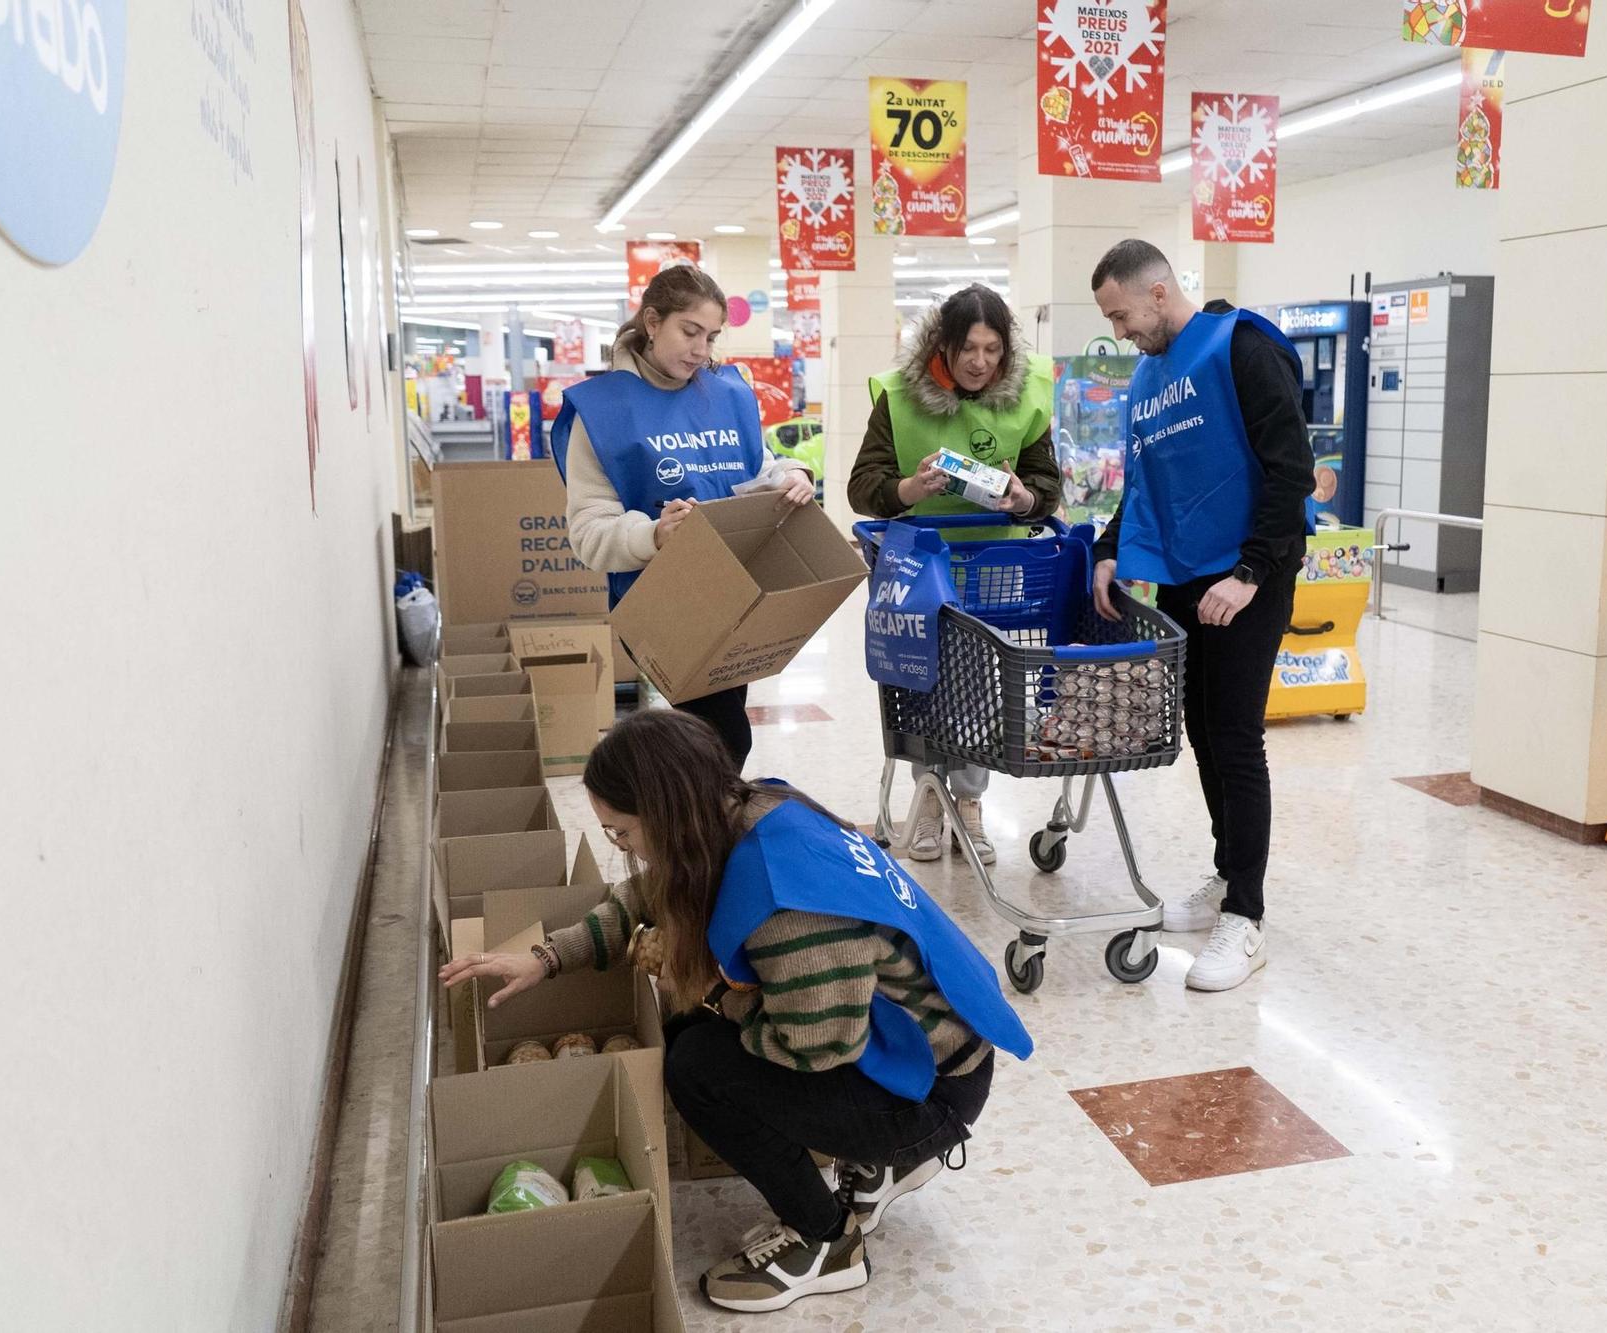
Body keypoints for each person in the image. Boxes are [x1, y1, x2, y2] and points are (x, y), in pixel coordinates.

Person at [438, 710, 1032, 1314]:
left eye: (622, 833)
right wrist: (547, 958)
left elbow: (817, 1049)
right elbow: (647, 894)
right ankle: (871, 1165)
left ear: (669, 816)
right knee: (692, 1027)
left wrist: (714, 994)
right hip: (911, 1047)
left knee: (698, 1064)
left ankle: (827, 1242)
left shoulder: (791, 913)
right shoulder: (748, 807)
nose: (623, 849)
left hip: (933, 1093)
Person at [1088, 239, 1314, 993]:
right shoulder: (1149, 378)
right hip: (1186, 579)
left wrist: (1251, 571)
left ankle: (1245, 917)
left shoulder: (1241, 347)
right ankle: (1226, 877)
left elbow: (1292, 470)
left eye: (1122, 314)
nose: (1120, 333)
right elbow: (1142, 482)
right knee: (1204, 732)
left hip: (1249, 575)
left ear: (1159, 292)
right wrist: (1112, 548)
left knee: (1238, 737)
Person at [551, 265, 814, 768]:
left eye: (711, 337)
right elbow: (587, 533)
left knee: (716, 736)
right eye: (689, 332)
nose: (701, 350)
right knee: (725, 738)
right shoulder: (601, 412)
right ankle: (696, 834)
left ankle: (686, 831)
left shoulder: (727, 394)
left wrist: (791, 476)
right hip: (660, 605)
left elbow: (757, 471)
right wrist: (654, 534)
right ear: (652, 322)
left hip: (735, 593)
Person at [848, 283, 1062, 864]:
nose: (980, 362)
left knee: (978, 687)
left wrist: (1023, 500)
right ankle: (928, 799)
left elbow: (1047, 486)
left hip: (994, 568)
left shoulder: (1030, 394)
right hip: (918, 565)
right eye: (969, 348)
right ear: (942, 343)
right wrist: (907, 489)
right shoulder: (897, 395)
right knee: (922, 683)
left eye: (993, 350)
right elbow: (861, 484)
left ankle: (969, 802)